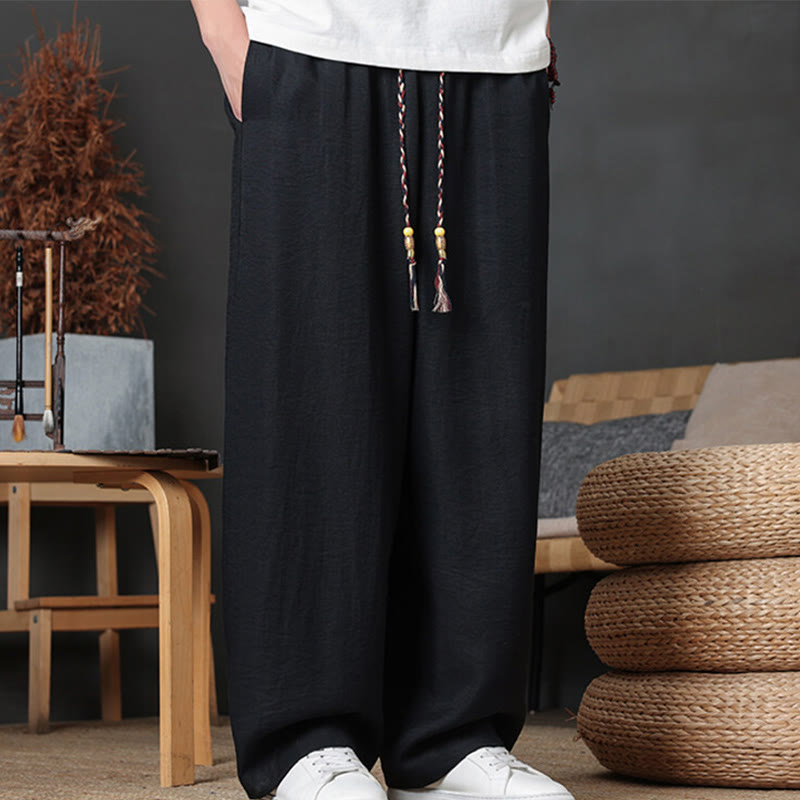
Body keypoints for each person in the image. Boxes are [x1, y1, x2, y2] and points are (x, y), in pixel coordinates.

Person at [189, 0, 572, 798]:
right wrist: (225, 34)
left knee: (482, 410)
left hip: (494, 53)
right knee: (310, 398)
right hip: (311, 42)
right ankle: (306, 739)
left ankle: (451, 738)